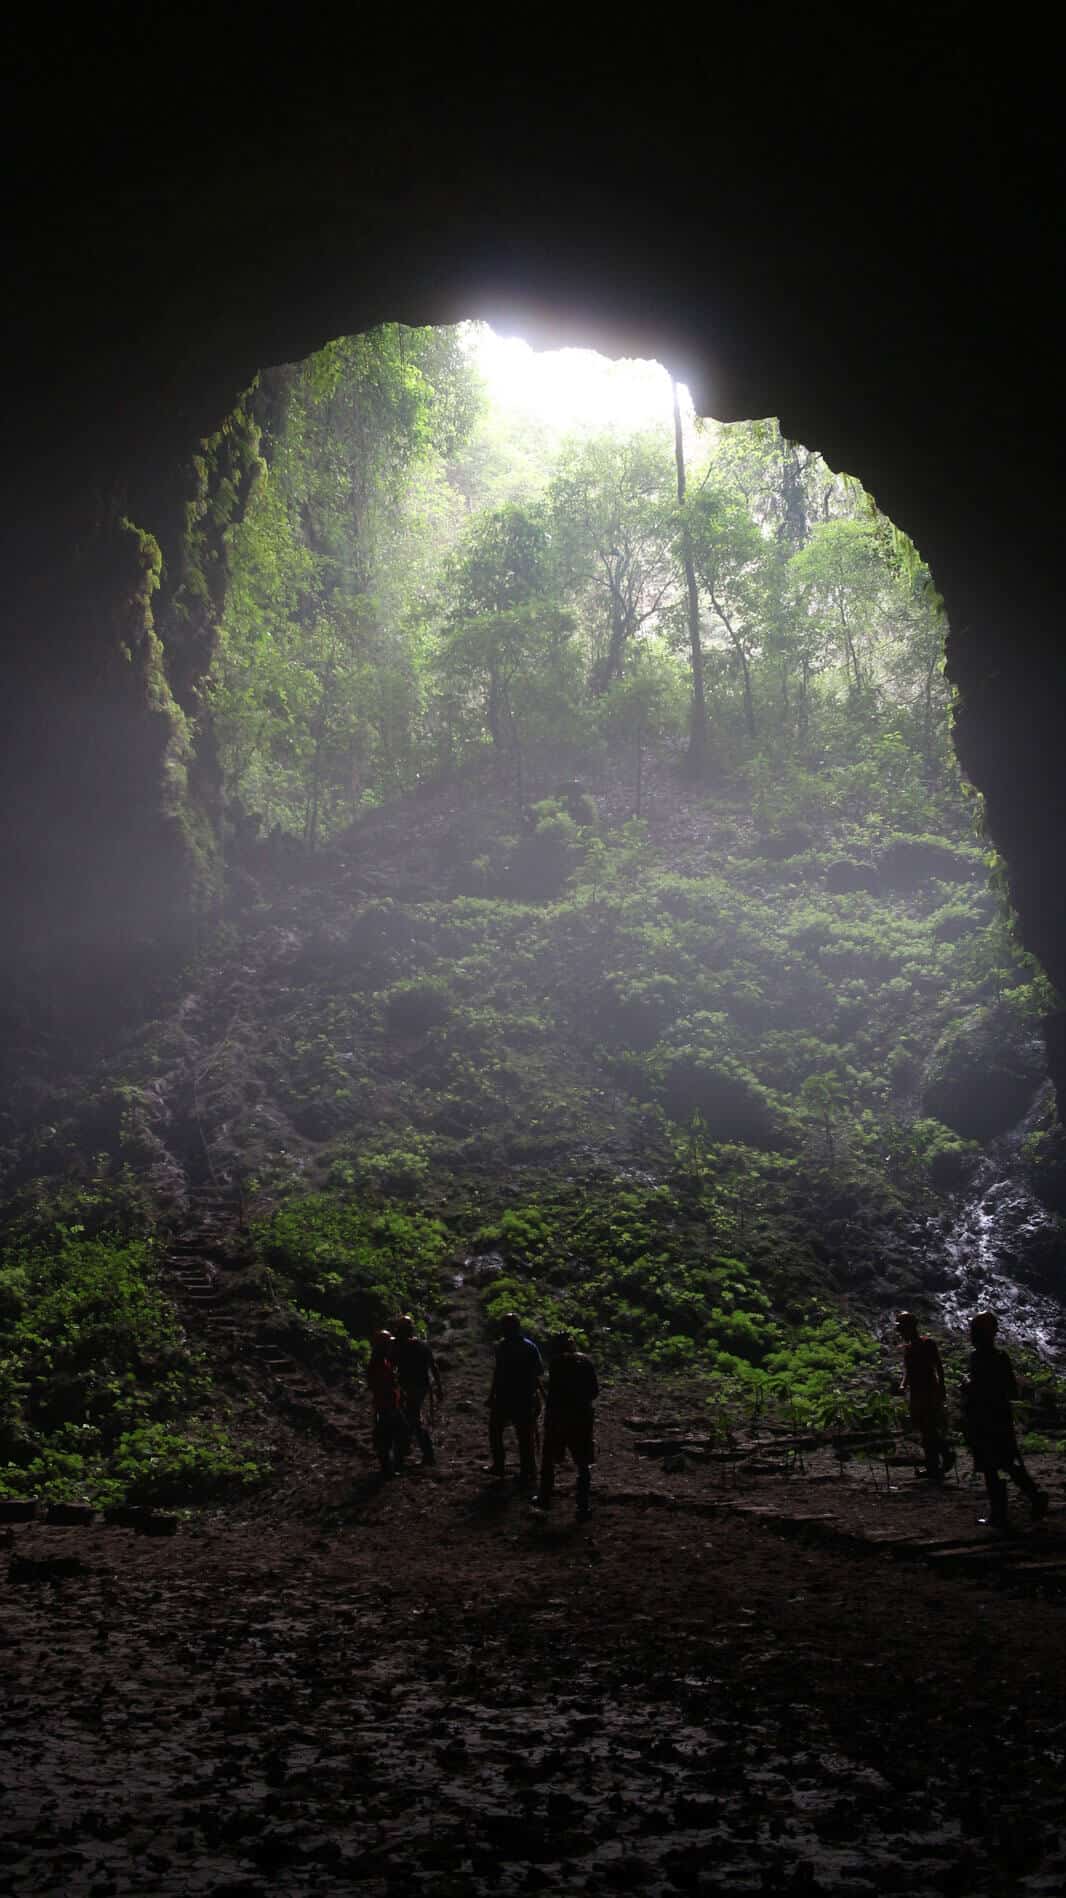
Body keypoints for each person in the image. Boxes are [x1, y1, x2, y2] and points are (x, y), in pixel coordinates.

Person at [961, 1311, 1049, 1531]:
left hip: (986, 1418)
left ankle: (1000, 1514)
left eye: (975, 1330)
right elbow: (1011, 1389)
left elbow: (988, 1388)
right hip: (999, 1417)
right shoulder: (999, 1358)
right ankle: (1034, 1496)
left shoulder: (979, 1357)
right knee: (1007, 1463)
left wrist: (972, 1387)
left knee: (992, 1467)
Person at [531, 1333, 599, 1520]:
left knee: (548, 1458)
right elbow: (594, 1391)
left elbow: (554, 1394)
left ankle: (545, 1497)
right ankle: (582, 1505)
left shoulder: (557, 1364)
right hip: (581, 1418)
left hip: (559, 1418)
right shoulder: (586, 1362)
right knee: (583, 1463)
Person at [485, 1313, 544, 1488]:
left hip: (517, 1396)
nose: (503, 1329)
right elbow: (538, 1371)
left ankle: (519, 1470)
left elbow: (537, 1372)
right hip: (515, 1396)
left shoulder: (513, 1346)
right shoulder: (521, 1346)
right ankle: (521, 1470)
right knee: (517, 1434)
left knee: (514, 1433)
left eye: (505, 1326)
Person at [896, 1311, 954, 1480]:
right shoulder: (908, 1348)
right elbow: (908, 1371)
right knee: (925, 1430)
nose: (900, 1333)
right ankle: (933, 1466)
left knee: (929, 1429)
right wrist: (902, 1385)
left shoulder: (927, 1343)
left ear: (910, 1327)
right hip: (916, 1393)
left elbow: (938, 1366)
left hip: (929, 1391)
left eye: (902, 1329)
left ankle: (944, 1455)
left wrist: (941, 1389)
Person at [392, 1313, 443, 1465]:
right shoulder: (420, 1345)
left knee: (411, 1419)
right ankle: (410, 1452)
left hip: (412, 1387)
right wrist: (438, 1388)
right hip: (417, 1387)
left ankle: (422, 1454)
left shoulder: (401, 1346)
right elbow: (433, 1367)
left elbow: (433, 1366)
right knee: (410, 1418)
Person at [366, 1330, 410, 1477]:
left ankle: (392, 1467)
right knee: (388, 1438)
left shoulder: (383, 1361)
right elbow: (381, 1386)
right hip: (386, 1406)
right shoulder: (379, 1364)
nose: (391, 1345)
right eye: (388, 1343)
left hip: (389, 1404)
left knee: (392, 1435)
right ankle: (389, 1470)